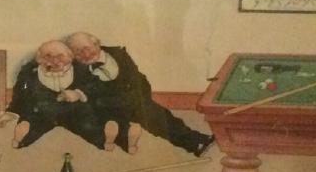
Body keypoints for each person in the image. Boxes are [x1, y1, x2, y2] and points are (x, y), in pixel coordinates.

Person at [65, 32, 214, 157]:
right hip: (107, 105)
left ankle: (196, 142)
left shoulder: (118, 54)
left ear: (96, 43)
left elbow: (137, 79)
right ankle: (124, 141)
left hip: (131, 97)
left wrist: (139, 98)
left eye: (87, 48)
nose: (85, 54)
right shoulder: (76, 69)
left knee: (157, 116)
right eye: (78, 52)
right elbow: (83, 92)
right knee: (109, 124)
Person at [0, 39, 105, 149]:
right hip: (43, 110)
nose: (55, 60)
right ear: (39, 58)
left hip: (72, 110)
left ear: (69, 56)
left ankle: (105, 140)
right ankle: (21, 136)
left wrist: (78, 93)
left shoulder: (80, 68)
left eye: (60, 56)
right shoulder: (29, 71)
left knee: (89, 126)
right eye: (48, 56)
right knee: (31, 122)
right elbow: (21, 93)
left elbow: (93, 86)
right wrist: (12, 112)